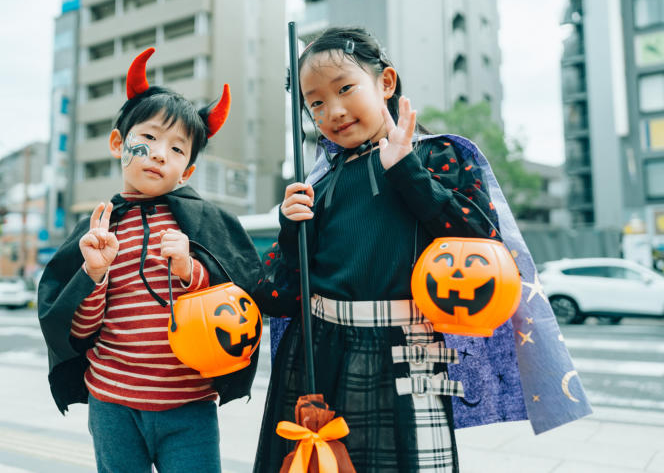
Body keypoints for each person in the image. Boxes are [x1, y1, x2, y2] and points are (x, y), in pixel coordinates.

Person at [252, 27, 591, 472]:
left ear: (386, 82)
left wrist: (406, 170)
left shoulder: (439, 157)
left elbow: (484, 246)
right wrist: (290, 230)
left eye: (345, 88)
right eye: (314, 103)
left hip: (408, 351)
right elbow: (278, 298)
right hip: (317, 352)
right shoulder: (319, 184)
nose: (332, 110)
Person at [37, 48, 262, 473]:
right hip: (111, 403)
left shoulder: (205, 225)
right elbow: (78, 330)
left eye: (178, 149)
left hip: (189, 403)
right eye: (150, 138)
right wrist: (94, 274)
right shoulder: (99, 228)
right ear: (118, 143)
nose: (160, 154)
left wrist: (190, 271)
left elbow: (239, 300)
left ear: (187, 171)